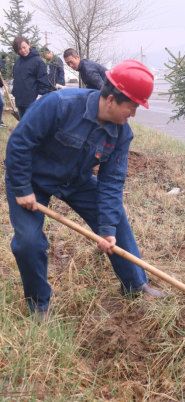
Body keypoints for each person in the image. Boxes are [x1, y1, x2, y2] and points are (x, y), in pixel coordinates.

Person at [5, 59, 164, 322]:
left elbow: (111, 183)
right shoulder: (60, 104)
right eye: (132, 106)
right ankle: (39, 305)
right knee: (28, 242)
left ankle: (136, 284)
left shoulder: (121, 134)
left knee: (116, 218)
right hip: (30, 179)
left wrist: (107, 229)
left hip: (75, 181)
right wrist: (21, 187)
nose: (134, 114)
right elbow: (19, 143)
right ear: (111, 100)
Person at [12, 36, 49, 119]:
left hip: (32, 101)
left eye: (24, 47)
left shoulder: (37, 61)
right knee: (23, 124)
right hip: (20, 100)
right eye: (20, 49)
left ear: (29, 45)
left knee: (32, 124)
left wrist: (40, 96)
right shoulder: (17, 61)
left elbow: (43, 80)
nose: (23, 50)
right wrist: (14, 94)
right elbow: (16, 79)